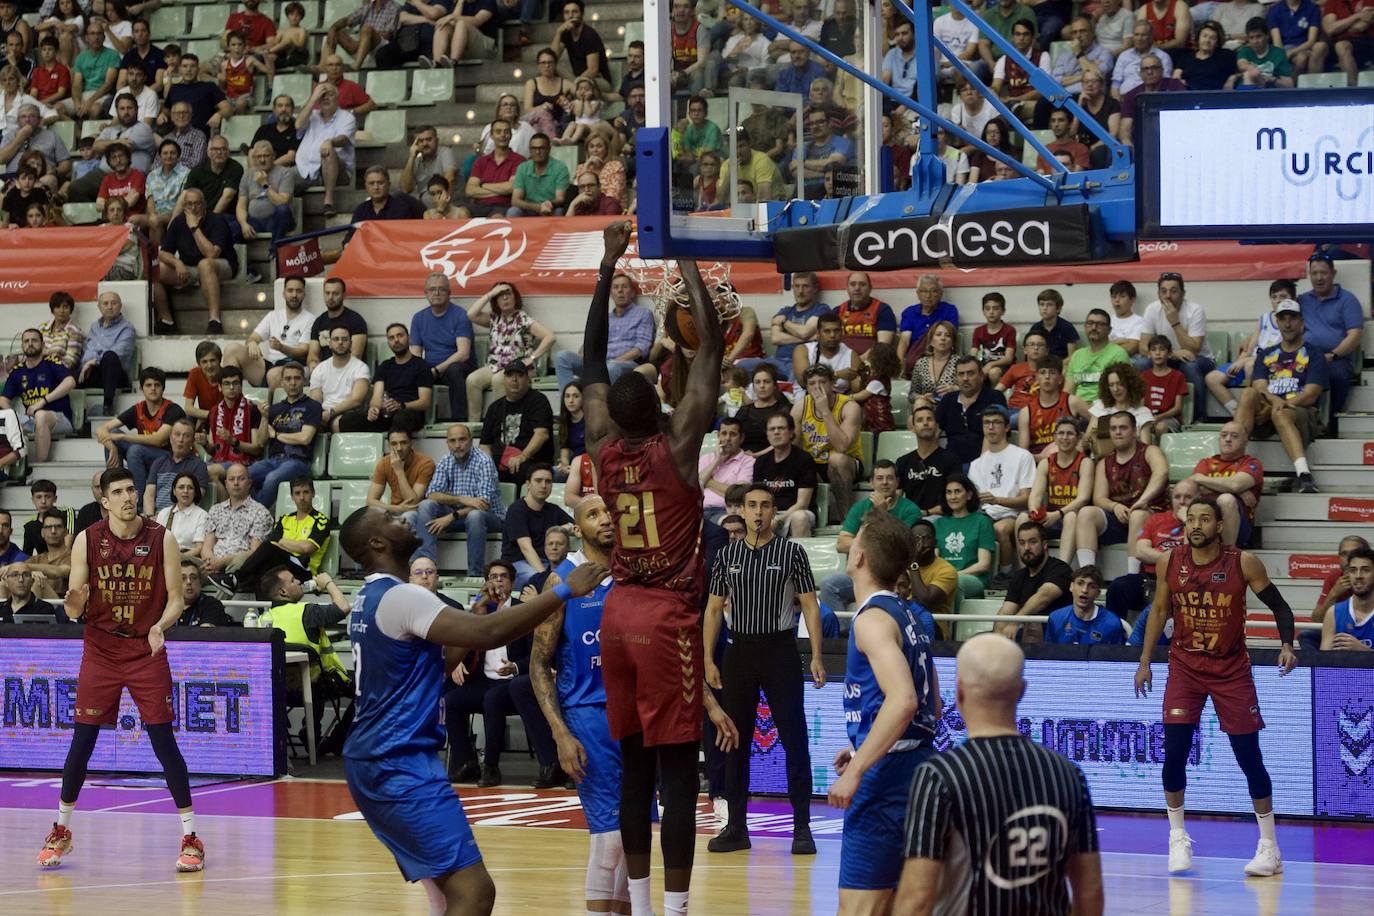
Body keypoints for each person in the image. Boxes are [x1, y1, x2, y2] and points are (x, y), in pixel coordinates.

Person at [580, 221, 739, 916]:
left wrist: (609, 262)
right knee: (678, 775)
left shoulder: (600, 447)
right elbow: (711, 352)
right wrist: (686, 265)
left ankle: (640, 906)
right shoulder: (678, 448)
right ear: (661, 409)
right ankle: (673, 911)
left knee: (634, 769)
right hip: (667, 615)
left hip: (619, 610)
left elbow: (590, 361)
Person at [338, 504, 605, 916]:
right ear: (376, 542)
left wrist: (476, 614)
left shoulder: (368, 597)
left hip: (378, 758)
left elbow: (433, 664)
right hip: (397, 763)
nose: (405, 518)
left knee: (445, 895)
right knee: (475, 893)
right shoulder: (402, 595)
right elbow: (490, 633)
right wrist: (567, 590)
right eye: (391, 519)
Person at [37, 469, 204, 873]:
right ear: (104, 501)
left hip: (145, 649)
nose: (128, 496)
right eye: (118, 492)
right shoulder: (87, 541)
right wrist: (74, 601)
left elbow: (176, 599)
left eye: (131, 489)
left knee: (164, 740)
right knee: (82, 741)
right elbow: (75, 609)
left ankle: (191, 837)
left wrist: (160, 627)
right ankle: (61, 831)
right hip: (101, 650)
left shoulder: (161, 537)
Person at [1133, 498, 1298, 877]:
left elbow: (1281, 607)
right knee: (1174, 754)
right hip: (1185, 668)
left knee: (1248, 757)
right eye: (1191, 518)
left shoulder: (1242, 562)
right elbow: (1160, 610)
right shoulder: (1168, 561)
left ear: (1219, 526)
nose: (1196, 524)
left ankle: (1269, 847)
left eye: (1204, 519)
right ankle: (1177, 838)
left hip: (1231, 671)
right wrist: (1144, 662)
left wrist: (1287, 645)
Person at [896, 633, 1105, 915]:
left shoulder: (939, 775)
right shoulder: (1069, 775)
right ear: (1021, 691)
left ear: (958, 693)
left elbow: (916, 901)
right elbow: (1090, 893)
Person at [703, 485, 824, 855]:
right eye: (752, 505)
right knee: (734, 740)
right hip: (739, 651)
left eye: (765, 506)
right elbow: (712, 609)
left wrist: (817, 654)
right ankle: (737, 827)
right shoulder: (726, 555)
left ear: (775, 512)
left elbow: (810, 604)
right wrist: (708, 658)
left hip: (780, 650)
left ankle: (801, 827)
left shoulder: (792, 552)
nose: (758, 512)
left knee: (794, 738)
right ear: (743, 509)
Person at [831, 511, 939, 913]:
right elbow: (934, 706)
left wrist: (859, 768)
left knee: (859, 908)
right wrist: (862, 747)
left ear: (859, 557)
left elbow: (904, 701)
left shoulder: (872, 620)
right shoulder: (911, 614)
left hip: (886, 780)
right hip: (920, 769)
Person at [527, 495, 629, 913]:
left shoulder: (633, 575)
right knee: (610, 837)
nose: (605, 520)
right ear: (576, 528)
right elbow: (537, 664)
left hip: (636, 718)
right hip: (587, 716)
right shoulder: (561, 580)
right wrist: (560, 733)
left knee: (633, 834)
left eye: (608, 512)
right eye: (593, 514)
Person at [1234, 300, 1327, 495]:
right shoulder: (1266, 353)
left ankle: (1304, 476)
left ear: (1301, 322)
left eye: (1292, 318)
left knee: (1281, 414)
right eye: (1282, 319)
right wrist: (1273, 401)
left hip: (1300, 412)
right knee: (1249, 393)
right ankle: (1234, 462)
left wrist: (1277, 406)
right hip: (1270, 408)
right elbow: (1259, 387)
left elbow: (1310, 394)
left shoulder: (1314, 353)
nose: (1287, 323)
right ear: (1276, 322)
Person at [817, 460, 923, 612]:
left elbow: (899, 547)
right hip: (863, 572)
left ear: (897, 482)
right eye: (879, 478)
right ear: (871, 483)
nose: (885, 483)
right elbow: (841, 544)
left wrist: (881, 513)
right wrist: (873, 545)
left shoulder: (910, 510)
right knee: (829, 584)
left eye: (890, 478)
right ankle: (841, 634)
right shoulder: (860, 507)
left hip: (893, 573)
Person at [1076, 411, 1168, 569]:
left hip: (1150, 514)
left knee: (1137, 515)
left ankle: (1133, 579)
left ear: (1134, 431)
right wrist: (1115, 506)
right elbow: (1099, 497)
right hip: (1119, 518)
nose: (1117, 432)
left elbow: (1162, 473)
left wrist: (1142, 501)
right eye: (1113, 428)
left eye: (1123, 428)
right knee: (1086, 513)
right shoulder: (1105, 462)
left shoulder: (1150, 451)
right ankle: (1087, 573)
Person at [414, 423, 505, 574]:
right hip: (457, 515)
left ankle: (475, 573)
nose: (457, 445)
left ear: (471, 440)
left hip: (489, 517)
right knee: (426, 505)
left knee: (474, 516)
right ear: (447, 443)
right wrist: (463, 499)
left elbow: (483, 504)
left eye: (462, 440)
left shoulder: (484, 461)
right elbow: (432, 494)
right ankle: (427, 565)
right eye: (453, 441)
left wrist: (451, 516)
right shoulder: (445, 461)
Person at [154, 187, 236, 335]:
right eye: (189, 204)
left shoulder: (217, 220)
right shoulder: (178, 222)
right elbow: (163, 253)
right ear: (184, 206)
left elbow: (211, 253)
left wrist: (194, 228)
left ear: (204, 204)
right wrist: (177, 263)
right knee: (156, 270)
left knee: (205, 264)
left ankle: (214, 321)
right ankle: (166, 320)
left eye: (197, 203)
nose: (193, 208)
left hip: (221, 265)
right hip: (189, 268)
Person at [969, 405, 1035, 586]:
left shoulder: (1022, 456)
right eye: (986, 423)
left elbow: (1027, 498)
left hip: (1014, 514)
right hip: (984, 515)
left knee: (1000, 529)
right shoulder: (976, 464)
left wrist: (996, 500)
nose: (991, 427)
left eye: (996, 423)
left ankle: (1006, 574)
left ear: (1007, 427)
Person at [95, 366, 186, 497]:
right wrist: (112, 446)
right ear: (141, 388)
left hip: (168, 457)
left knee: (134, 449)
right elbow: (101, 429)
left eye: (157, 385)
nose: (153, 388)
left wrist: (122, 437)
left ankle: (138, 503)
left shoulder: (173, 410)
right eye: (148, 385)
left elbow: (158, 439)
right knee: (115, 434)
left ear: (163, 388)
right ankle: (115, 490)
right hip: (144, 453)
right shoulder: (138, 408)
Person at [794, 363, 864, 524]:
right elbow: (791, 444)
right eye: (812, 383)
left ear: (832, 383)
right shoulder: (800, 407)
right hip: (814, 463)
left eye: (822, 382)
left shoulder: (849, 406)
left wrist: (825, 411)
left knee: (836, 459)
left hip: (848, 462)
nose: (817, 387)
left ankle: (847, 520)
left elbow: (842, 446)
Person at [338, 323, 433, 434]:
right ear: (388, 343)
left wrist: (401, 405)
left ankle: (397, 448)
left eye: (400, 336)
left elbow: (424, 402)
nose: (396, 340)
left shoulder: (421, 366)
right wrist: (374, 409)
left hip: (409, 412)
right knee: (348, 420)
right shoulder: (385, 366)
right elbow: (377, 396)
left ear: (409, 338)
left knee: (401, 417)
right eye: (391, 338)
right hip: (386, 413)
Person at [1297, 253, 1362, 416]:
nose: (1319, 278)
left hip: (1336, 359)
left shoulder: (1348, 300)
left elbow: (1354, 335)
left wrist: (1332, 355)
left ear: (1333, 274)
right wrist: (1251, 339)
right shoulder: (1302, 301)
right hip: (1305, 357)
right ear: (1309, 275)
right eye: (1314, 273)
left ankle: (1331, 422)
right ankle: (1302, 418)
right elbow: (1277, 320)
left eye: (1324, 273)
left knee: (1337, 375)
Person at [1022, 416, 1093, 563]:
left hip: (1073, 518)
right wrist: (1035, 512)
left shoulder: (1085, 462)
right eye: (1061, 433)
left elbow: (1083, 498)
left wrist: (1058, 514)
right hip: (1051, 518)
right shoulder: (1046, 462)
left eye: (1070, 433)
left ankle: (1062, 568)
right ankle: (1026, 569)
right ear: (1054, 437)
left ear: (1078, 438)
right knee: (1022, 518)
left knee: (1071, 517)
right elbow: (1035, 495)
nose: (1065, 437)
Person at [410, 272, 477, 422]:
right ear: (425, 293)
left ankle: (459, 421)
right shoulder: (418, 318)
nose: (437, 293)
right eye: (432, 289)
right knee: (410, 371)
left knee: (455, 369)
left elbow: (463, 354)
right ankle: (414, 420)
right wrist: (420, 371)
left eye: (442, 289)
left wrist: (436, 370)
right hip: (431, 370)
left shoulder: (460, 315)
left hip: (460, 369)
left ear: (449, 293)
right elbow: (415, 354)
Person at [1, 328, 75, 464]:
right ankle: (7, 469)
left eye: (34, 340)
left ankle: (38, 468)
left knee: (41, 415)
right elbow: (4, 399)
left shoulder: (52, 363)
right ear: (22, 345)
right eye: (26, 341)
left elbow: (70, 382)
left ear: (42, 344)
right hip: (31, 420)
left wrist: (43, 401)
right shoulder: (17, 371)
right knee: (8, 422)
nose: (30, 344)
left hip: (59, 418)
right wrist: (13, 416)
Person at [480, 360, 555, 484]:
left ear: (527, 379)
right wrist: (488, 467)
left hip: (531, 462)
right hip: (500, 463)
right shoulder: (494, 408)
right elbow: (485, 445)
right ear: (504, 379)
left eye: (519, 375)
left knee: (522, 470)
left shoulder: (538, 401)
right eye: (510, 375)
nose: (514, 380)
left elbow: (542, 434)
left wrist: (522, 456)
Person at [201, 463, 276, 582]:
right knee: (183, 564)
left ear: (249, 483)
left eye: (241, 479)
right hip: (213, 562)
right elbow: (207, 546)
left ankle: (221, 597)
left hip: (239, 564)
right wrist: (210, 561)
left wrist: (223, 561)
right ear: (225, 484)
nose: (236, 483)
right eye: (231, 479)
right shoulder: (215, 510)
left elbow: (255, 552)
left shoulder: (261, 512)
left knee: (237, 567)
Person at [501, 463, 572, 586]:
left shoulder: (552, 509)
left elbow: (575, 525)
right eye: (538, 481)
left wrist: (565, 528)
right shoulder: (516, 509)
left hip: (547, 562)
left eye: (548, 481)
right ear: (528, 484)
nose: (543, 485)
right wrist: (545, 577)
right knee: (535, 579)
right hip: (518, 563)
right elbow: (526, 548)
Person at [752, 412, 818, 538]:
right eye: (772, 429)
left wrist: (778, 520)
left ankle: (799, 557)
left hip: (794, 513)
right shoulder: (761, 462)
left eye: (781, 428)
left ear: (791, 432)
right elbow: (757, 497)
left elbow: (802, 503)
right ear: (767, 434)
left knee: (800, 518)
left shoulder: (804, 459)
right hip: (768, 513)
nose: (776, 432)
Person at [935, 356, 1007, 466]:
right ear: (956, 378)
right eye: (961, 374)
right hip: (952, 465)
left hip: (987, 464)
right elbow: (933, 433)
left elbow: (995, 436)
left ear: (981, 376)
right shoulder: (948, 400)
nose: (965, 378)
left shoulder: (994, 397)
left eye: (970, 373)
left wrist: (980, 468)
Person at [895, 405, 960, 516]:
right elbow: (895, 498)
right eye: (920, 420)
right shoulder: (903, 462)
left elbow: (957, 499)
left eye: (929, 419)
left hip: (942, 518)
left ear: (936, 426)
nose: (925, 423)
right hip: (911, 518)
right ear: (913, 428)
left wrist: (927, 513)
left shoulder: (951, 460)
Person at [1017, 354, 1089, 454]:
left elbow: (1098, 419)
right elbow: (1023, 454)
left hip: (1069, 458)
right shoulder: (1026, 412)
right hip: (1039, 462)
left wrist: (1083, 442)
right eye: (1043, 373)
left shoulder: (1072, 402)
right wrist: (1043, 458)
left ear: (1060, 379)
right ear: (1037, 378)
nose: (1047, 377)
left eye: (1052, 373)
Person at [367, 428, 435, 530]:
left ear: (412, 444)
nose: (399, 448)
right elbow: (370, 501)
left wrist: (399, 470)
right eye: (394, 444)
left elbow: (412, 502)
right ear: (388, 446)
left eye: (403, 443)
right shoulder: (384, 463)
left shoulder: (425, 463)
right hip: (394, 510)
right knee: (367, 521)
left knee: (407, 517)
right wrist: (396, 508)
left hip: (418, 512)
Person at [1044, 565, 1127, 645]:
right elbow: (1050, 655)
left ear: (1098, 593)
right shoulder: (1056, 619)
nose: (1084, 590)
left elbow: (1116, 657)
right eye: (1080, 583)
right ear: (1071, 586)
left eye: (1092, 586)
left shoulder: (1112, 623)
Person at [309, 326, 371, 432]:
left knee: (339, 423)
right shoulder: (320, 368)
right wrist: (319, 416)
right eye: (336, 339)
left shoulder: (360, 367)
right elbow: (315, 400)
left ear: (351, 343)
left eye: (345, 339)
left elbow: (356, 400)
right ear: (329, 343)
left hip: (348, 412)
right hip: (324, 413)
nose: (340, 342)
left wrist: (331, 413)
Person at [792, 310, 860, 394]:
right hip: (807, 399)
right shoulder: (803, 350)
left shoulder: (851, 355)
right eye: (827, 331)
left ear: (841, 332)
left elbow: (857, 389)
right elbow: (803, 381)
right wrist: (836, 375)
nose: (832, 335)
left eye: (836, 330)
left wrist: (858, 379)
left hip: (839, 401)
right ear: (818, 334)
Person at [1321, 547, 1374, 652]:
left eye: (1365, 570)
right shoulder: (1333, 613)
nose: (1358, 576)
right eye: (1353, 570)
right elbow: (1324, 664)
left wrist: (1365, 652)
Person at [155, 472, 208, 556]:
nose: (185, 491)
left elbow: (199, 548)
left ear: (195, 492)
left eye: (190, 488)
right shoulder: (164, 513)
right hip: (164, 556)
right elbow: (156, 542)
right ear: (174, 491)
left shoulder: (202, 515)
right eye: (181, 487)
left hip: (188, 557)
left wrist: (177, 559)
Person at [178, 558, 232, 627]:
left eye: (194, 578)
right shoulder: (166, 606)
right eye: (183, 578)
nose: (189, 582)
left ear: (200, 582)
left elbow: (205, 634)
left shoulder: (212, 605)